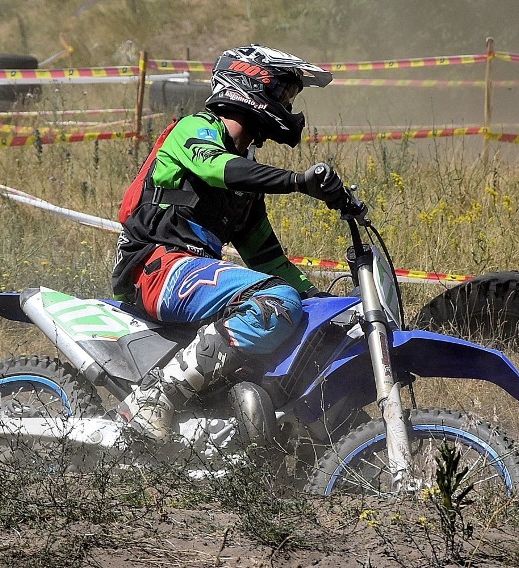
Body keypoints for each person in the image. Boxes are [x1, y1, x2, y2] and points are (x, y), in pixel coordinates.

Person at [112, 44, 346, 441]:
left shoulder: (246, 190)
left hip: (190, 278)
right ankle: (155, 398)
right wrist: (297, 182)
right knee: (276, 301)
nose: (288, 105)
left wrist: (326, 303)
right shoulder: (196, 129)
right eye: (284, 93)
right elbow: (218, 167)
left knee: (298, 308)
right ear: (250, 85)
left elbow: (269, 259)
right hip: (157, 269)